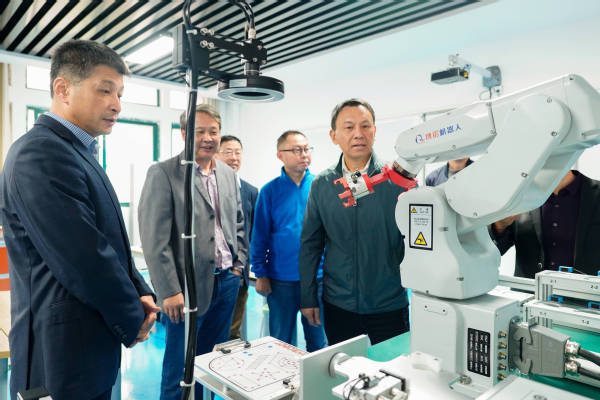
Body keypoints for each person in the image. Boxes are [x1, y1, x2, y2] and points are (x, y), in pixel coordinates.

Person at [0, 40, 159, 400]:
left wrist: (140, 290)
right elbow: (85, 258)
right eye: (105, 90)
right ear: (63, 89)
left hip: (85, 347)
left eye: (119, 94)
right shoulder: (40, 153)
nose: (116, 104)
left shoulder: (78, 151)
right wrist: (132, 315)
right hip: (57, 357)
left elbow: (109, 241)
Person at [138, 104, 247, 400]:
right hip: (186, 290)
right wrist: (169, 290)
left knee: (210, 366)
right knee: (180, 369)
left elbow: (237, 222)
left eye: (213, 131)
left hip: (226, 282)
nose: (208, 138)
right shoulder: (164, 173)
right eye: (200, 132)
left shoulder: (227, 174)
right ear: (184, 134)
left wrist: (238, 266)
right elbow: (154, 239)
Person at [299, 99, 410, 346]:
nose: (358, 134)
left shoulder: (399, 181)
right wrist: (307, 297)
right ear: (334, 136)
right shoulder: (322, 185)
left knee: (394, 368)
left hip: (389, 304)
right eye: (349, 127)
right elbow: (310, 245)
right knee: (344, 369)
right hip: (339, 304)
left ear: (374, 131)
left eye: (365, 126)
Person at [251, 131, 327, 351]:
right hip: (280, 281)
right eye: (296, 150)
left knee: (318, 342)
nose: (303, 154)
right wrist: (261, 274)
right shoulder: (269, 191)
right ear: (280, 155)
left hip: (317, 279)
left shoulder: (321, 186)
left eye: (306, 149)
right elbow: (260, 236)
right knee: (281, 342)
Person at [490, 169, 600, 278]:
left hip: (585, 288)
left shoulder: (596, 194)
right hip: (529, 288)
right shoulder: (519, 194)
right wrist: (499, 226)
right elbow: (494, 251)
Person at [215, 135, 258, 340]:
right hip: (211, 276)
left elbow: (252, 232)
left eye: (238, 152)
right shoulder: (207, 186)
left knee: (233, 332)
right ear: (216, 155)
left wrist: (241, 267)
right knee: (209, 333)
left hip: (239, 275)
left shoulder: (250, 191)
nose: (234, 157)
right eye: (228, 152)